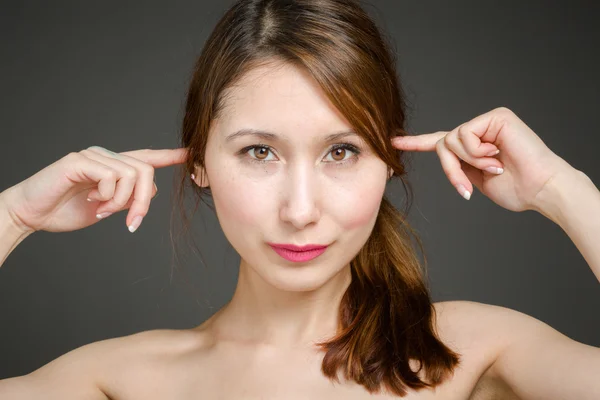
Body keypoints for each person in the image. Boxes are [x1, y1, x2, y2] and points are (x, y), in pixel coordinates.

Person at [1, 0, 599, 398]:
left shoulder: (472, 352)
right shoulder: (118, 381)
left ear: (388, 161)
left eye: (341, 151)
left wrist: (562, 190)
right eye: (259, 152)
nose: (300, 209)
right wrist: (13, 215)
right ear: (200, 162)